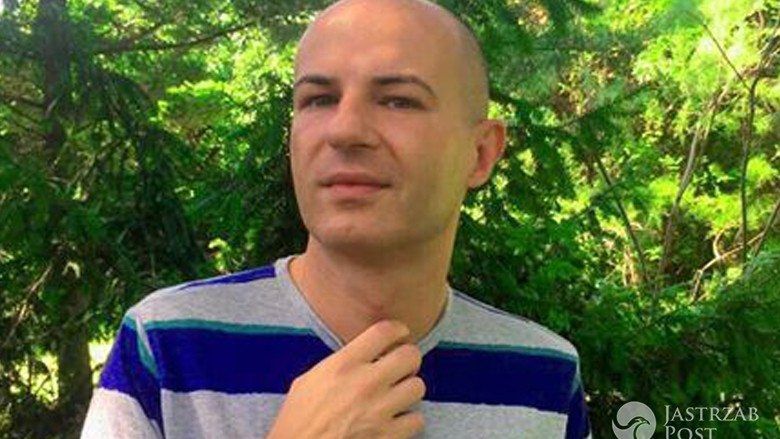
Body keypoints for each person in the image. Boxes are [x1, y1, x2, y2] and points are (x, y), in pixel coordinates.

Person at [81, 0, 592, 437]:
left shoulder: (545, 379)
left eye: (398, 100)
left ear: (480, 154)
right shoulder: (166, 349)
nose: (345, 130)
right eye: (319, 99)